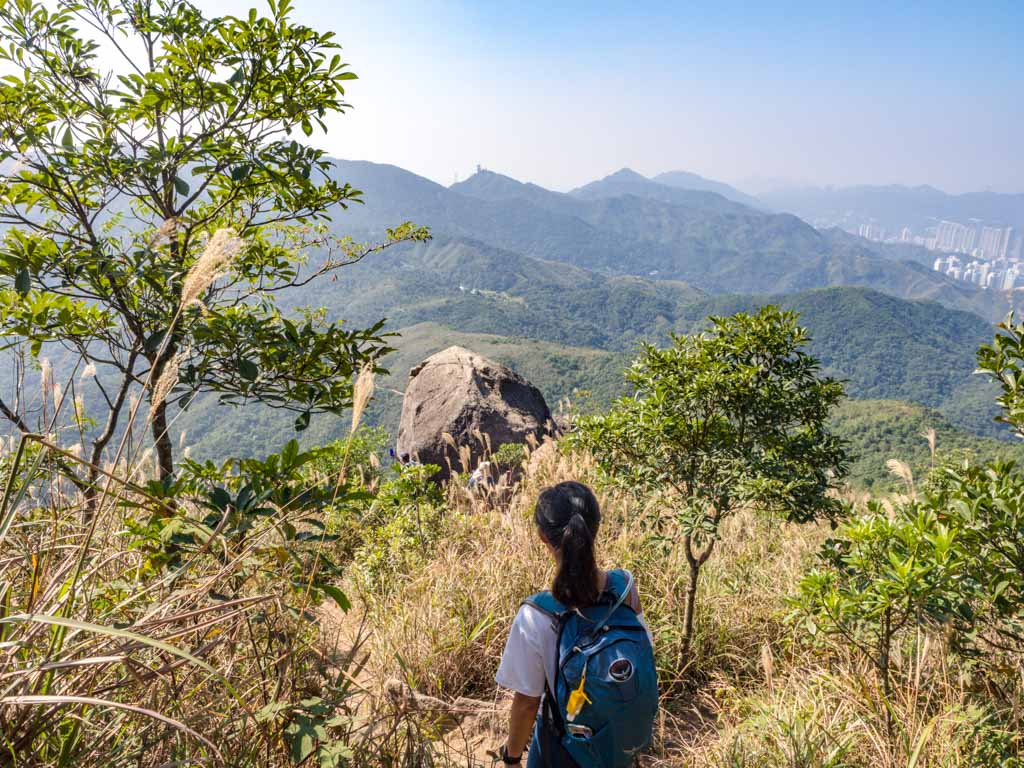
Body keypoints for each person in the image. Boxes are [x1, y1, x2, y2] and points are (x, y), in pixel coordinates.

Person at [494, 481, 657, 767]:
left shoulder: (536, 614)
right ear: (596, 528)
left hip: (565, 752)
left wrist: (511, 758)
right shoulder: (625, 587)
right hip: (618, 740)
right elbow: (646, 650)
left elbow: (527, 703)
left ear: (542, 537)